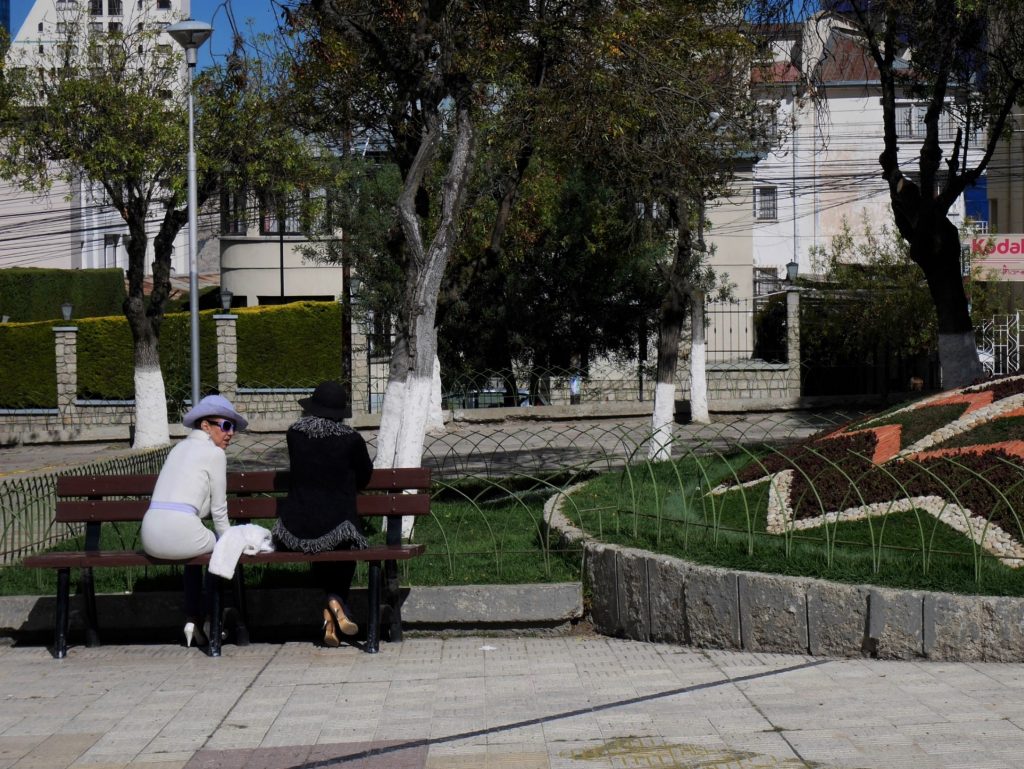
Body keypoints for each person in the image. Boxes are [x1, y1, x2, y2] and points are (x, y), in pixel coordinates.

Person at [140, 394, 248, 647]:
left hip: (149, 535)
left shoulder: (178, 448)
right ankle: (211, 617)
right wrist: (229, 540)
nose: (230, 433)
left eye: (232, 427)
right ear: (205, 426)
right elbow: (219, 510)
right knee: (216, 548)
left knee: (195, 549)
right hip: (181, 533)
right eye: (226, 426)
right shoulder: (214, 455)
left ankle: (191, 617)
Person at [272, 380, 373, 647]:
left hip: (294, 529)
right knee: (344, 548)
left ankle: (330, 619)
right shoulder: (351, 440)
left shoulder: (294, 434)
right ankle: (336, 603)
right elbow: (365, 476)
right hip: (337, 527)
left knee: (317, 545)